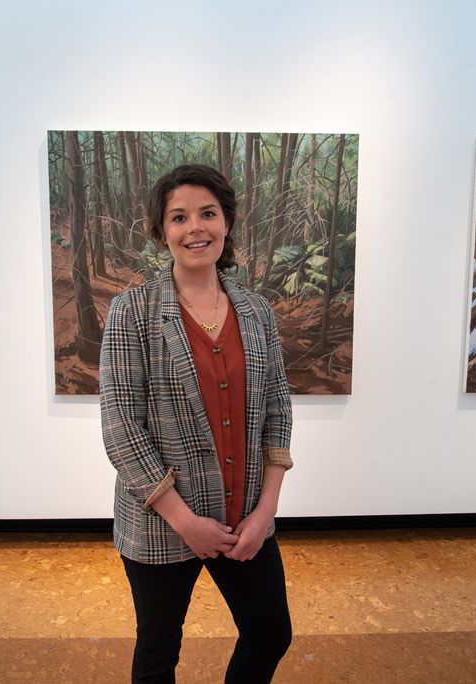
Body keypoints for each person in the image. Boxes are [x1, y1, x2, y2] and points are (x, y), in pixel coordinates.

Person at [99, 164, 294, 683]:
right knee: (160, 651)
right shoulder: (132, 311)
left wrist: (266, 511)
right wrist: (185, 521)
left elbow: (278, 410)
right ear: (163, 231)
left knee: (271, 633)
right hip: (162, 524)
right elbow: (121, 427)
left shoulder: (255, 311)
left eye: (207, 213)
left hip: (244, 519)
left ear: (226, 222)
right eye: (179, 217)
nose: (195, 228)